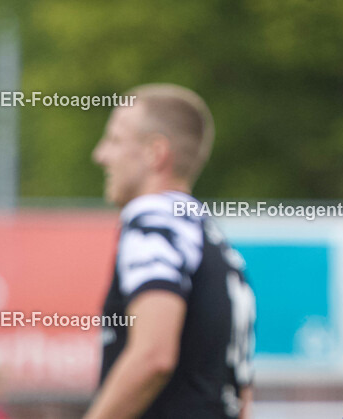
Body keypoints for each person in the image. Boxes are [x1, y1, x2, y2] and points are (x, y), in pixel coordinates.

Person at [86, 84, 255, 419]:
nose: (101, 154)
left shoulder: (155, 218)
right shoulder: (216, 244)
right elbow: (243, 394)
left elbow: (154, 355)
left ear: (155, 153)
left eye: (116, 140)